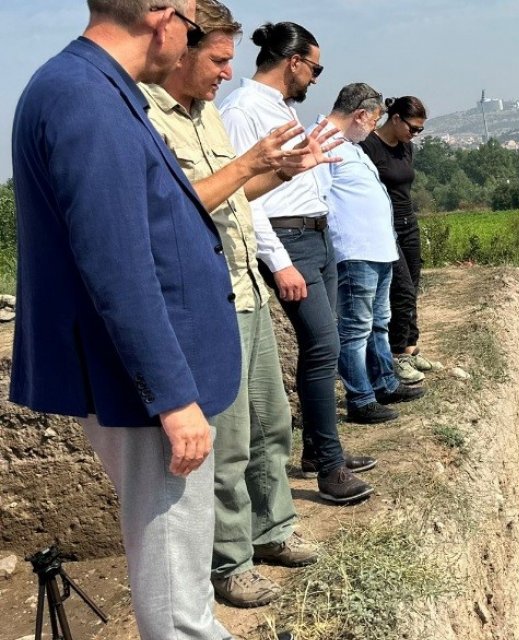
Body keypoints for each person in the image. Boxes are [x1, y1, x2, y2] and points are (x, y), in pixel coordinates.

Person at [10, 0, 240, 636]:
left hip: (143, 377)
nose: (192, 42)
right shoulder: (85, 97)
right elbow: (118, 264)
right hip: (140, 385)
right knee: (173, 576)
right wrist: (171, 396)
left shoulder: (92, 87)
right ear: (162, 14)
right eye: (193, 27)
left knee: (180, 564)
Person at [141, 0, 336, 608]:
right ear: (182, 50)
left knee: (271, 426)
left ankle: (273, 528)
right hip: (209, 299)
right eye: (219, 60)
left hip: (244, 289)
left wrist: (277, 170)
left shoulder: (207, 119)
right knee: (226, 442)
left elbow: (233, 194)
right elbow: (171, 208)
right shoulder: (149, 117)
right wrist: (252, 162)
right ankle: (230, 562)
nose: (229, 73)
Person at [220, 21, 376, 504]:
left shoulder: (278, 108)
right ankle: (329, 469)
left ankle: (318, 450)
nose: (315, 80)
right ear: (293, 62)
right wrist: (280, 261)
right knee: (324, 344)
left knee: (321, 350)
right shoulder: (243, 110)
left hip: (315, 235)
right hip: (288, 241)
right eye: (315, 68)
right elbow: (243, 199)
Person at [317, 83, 425, 424]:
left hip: (379, 250)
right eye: (375, 117)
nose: (374, 126)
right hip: (355, 251)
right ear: (361, 114)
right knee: (356, 328)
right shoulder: (320, 142)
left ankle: (384, 382)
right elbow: (316, 200)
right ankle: (361, 399)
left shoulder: (350, 146)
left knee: (379, 323)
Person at [361, 95, 431, 385]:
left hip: (408, 223)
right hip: (383, 226)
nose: (413, 135)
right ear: (396, 118)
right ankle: (397, 354)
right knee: (399, 289)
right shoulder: (368, 147)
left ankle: (410, 346)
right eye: (412, 128)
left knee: (412, 285)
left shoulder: (406, 149)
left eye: (419, 131)